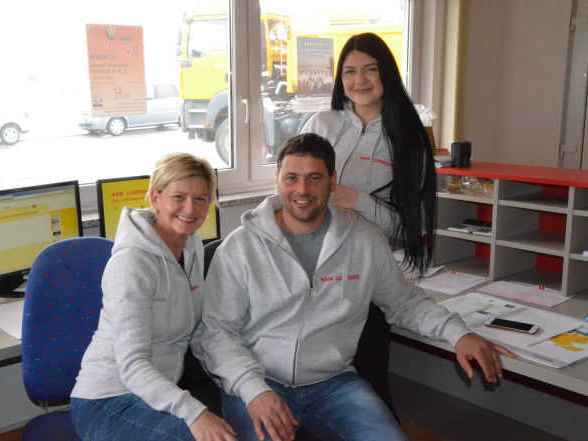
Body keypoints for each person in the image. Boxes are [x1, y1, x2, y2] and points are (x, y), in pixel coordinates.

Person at [202, 134, 513, 441]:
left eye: (314, 178)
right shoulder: (241, 247)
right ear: (277, 179)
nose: (302, 190)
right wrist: (254, 392)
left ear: (332, 181)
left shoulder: (363, 240)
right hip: (260, 383)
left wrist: (459, 334)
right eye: (291, 178)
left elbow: (405, 303)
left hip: (334, 384)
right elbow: (217, 333)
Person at [71, 153, 236, 441]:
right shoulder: (131, 264)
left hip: (156, 394)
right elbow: (132, 364)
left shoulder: (192, 244)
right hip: (106, 400)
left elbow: (198, 334)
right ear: (155, 197)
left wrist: (240, 380)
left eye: (200, 199)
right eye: (179, 197)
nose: (190, 208)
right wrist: (195, 413)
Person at [299, 32, 435, 274]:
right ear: (340, 78)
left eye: (370, 69)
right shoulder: (320, 124)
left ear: (386, 73)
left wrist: (357, 201)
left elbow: (414, 227)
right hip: (310, 260)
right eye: (349, 71)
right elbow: (289, 193)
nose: (359, 79)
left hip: (370, 265)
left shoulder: (409, 138)